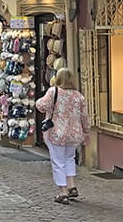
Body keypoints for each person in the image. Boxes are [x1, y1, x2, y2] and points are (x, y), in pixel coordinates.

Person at [35, 67, 90, 205]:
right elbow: (84, 116)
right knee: (69, 158)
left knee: (58, 161)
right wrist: (86, 130)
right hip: (74, 133)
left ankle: (63, 192)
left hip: (57, 133)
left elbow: (40, 106)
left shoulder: (53, 92)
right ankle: (72, 186)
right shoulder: (79, 96)